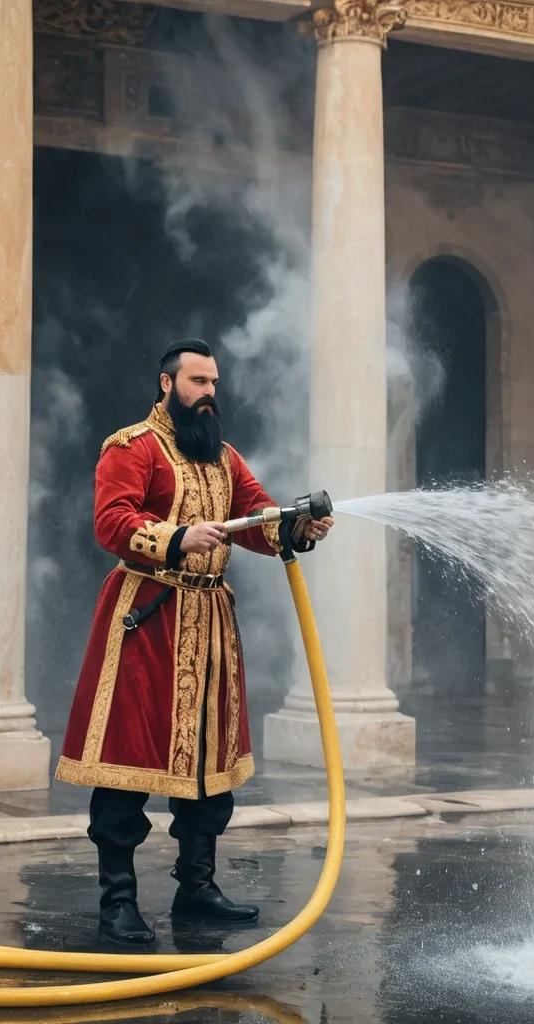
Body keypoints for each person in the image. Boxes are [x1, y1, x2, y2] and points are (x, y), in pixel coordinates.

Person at [56, 339, 333, 948]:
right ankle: (118, 902)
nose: (210, 393)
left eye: (214, 383)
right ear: (166, 384)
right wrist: (177, 537)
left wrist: (296, 526)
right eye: (198, 382)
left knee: (210, 765)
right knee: (128, 763)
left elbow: (257, 516)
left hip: (210, 625)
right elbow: (112, 521)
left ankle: (197, 888)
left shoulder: (224, 458)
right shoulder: (131, 448)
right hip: (147, 621)